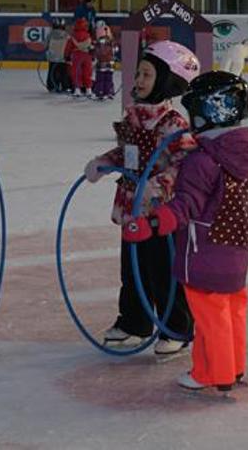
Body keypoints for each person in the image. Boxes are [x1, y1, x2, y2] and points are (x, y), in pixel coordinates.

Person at [140, 70, 248, 394]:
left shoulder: (204, 160)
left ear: (211, 111)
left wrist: (150, 224)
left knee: (210, 317)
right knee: (232, 308)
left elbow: (185, 206)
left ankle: (214, 374)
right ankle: (232, 367)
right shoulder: (245, 156)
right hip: (237, 253)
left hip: (204, 254)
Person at [84, 41, 200, 356]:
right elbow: (127, 154)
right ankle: (134, 323)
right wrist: (103, 162)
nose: (138, 80)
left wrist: (158, 185)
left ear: (166, 81)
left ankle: (176, 326)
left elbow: (185, 166)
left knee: (162, 270)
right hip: (131, 209)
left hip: (159, 215)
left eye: (147, 75)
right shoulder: (134, 115)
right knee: (131, 268)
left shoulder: (174, 124)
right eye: (138, 73)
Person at [66, 18, 94, 98]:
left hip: (77, 54)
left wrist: (67, 55)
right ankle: (89, 90)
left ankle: (77, 90)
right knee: (87, 72)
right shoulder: (88, 35)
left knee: (77, 72)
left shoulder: (73, 35)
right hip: (86, 55)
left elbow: (69, 46)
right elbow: (92, 46)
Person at [44, 17, 72, 93]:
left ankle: (52, 86)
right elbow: (70, 46)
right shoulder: (67, 35)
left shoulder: (50, 35)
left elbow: (45, 45)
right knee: (64, 73)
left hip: (52, 57)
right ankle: (65, 86)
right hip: (63, 57)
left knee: (52, 72)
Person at [91, 20, 117, 100]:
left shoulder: (98, 43)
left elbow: (96, 52)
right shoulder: (111, 41)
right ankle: (109, 91)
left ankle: (100, 92)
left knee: (100, 78)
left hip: (101, 63)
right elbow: (115, 50)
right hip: (111, 63)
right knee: (109, 78)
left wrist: (93, 57)